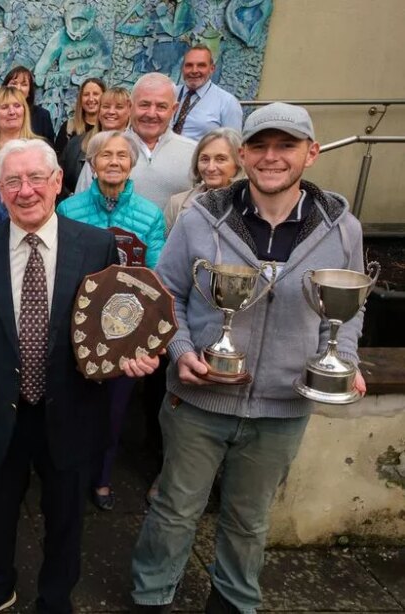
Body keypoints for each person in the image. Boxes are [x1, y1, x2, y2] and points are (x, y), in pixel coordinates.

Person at [129, 103, 367, 614]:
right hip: (198, 398)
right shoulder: (202, 216)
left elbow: (350, 307)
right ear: (243, 155)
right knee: (174, 510)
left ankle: (234, 602)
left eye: (286, 146)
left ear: (312, 153)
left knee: (249, 519)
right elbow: (166, 292)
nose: (271, 157)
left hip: (282, 404)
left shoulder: (342, 228)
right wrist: (181, 350)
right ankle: (151, 597)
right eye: (260, 146)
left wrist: (343, 359)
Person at [0, 138, 157, 614]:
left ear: (58, 182)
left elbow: (114, 325)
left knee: (65, 514)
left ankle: (56, 596)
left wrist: (131, 357)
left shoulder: (97, 244)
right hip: (2, 410)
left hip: (72, 408)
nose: (26, 191)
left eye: (36, 178)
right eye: (12, 181)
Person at [56, 130, 166, 512]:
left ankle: (102, 478)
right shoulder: (69, 209)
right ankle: (65, 471)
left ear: (132, 163)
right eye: (106, 155)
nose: (114, 161)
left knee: (114, 411)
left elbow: (156, 275)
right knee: (72, 404)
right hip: (77, 323)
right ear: (93, 162)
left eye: (122, 155)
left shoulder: (151, 215)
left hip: (127, 328)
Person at [76, 73, 196, 209]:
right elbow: (80, 207)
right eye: (144, 105)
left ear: (173, 109)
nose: (151, 114)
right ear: (130, 106)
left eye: (161, 107)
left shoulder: (194, 154)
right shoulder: (103, 150)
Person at [164, 128, 243, 231]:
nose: (210, 168)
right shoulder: (177, 203)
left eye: (220, 159)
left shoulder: (254, 205)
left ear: (238, 163)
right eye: (205, 159)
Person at [62, 86, 128, 194]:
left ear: (129, 111)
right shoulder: (77, 144)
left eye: (119, 107)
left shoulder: (136, 147)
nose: (111, 112)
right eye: (106, 106)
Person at [171, 45, 243, 140]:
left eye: (201, 65)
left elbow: (233, 145)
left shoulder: (228, 102)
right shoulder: (170, 94)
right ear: (182, 68)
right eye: (189, 65)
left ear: (212, 69)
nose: (194, 70)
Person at [0, 87, 36, 178]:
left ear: (25, 111)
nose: (12, 112)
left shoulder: (39, 147)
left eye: (17, 106)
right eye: (4, 107)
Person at [2, 65, 55, 141]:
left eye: (24, 84)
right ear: (5, 87)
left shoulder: (42, 116)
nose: (18, 88)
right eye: (14, 83)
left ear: (29, 92)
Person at [53, 77, 105, 155]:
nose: (91, 99)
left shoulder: (109, 128)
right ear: (80, 98)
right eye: (86, 94)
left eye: (96, 94)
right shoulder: (69, 128)